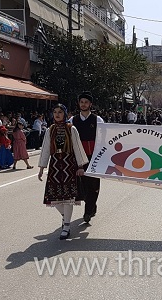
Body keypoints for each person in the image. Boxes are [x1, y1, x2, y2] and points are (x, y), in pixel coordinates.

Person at [38, 104, 88, 240]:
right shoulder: (50, 129)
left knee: (68, 198)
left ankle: (66, 226)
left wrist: (80, 166)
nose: (57, 114)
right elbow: (46, 148)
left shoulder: (71, 129)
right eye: (55, 112)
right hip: (55, 165)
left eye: (60, 112)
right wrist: (42, 167)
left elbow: (77, 147)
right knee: (55, 198)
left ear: (65, 114)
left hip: (69, 164)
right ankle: (65, 217)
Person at [68, 92, 105, 223]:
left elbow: (104, 139)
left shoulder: (98, 120)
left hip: (94, 157)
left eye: (86, 102)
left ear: (90, 104)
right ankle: (91, 205)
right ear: (79, 104)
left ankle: (88, 211)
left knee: (93, 185)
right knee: (82, 185)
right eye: (81, 102)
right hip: (78, 157)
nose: (83, 104)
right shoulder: (73, 121)